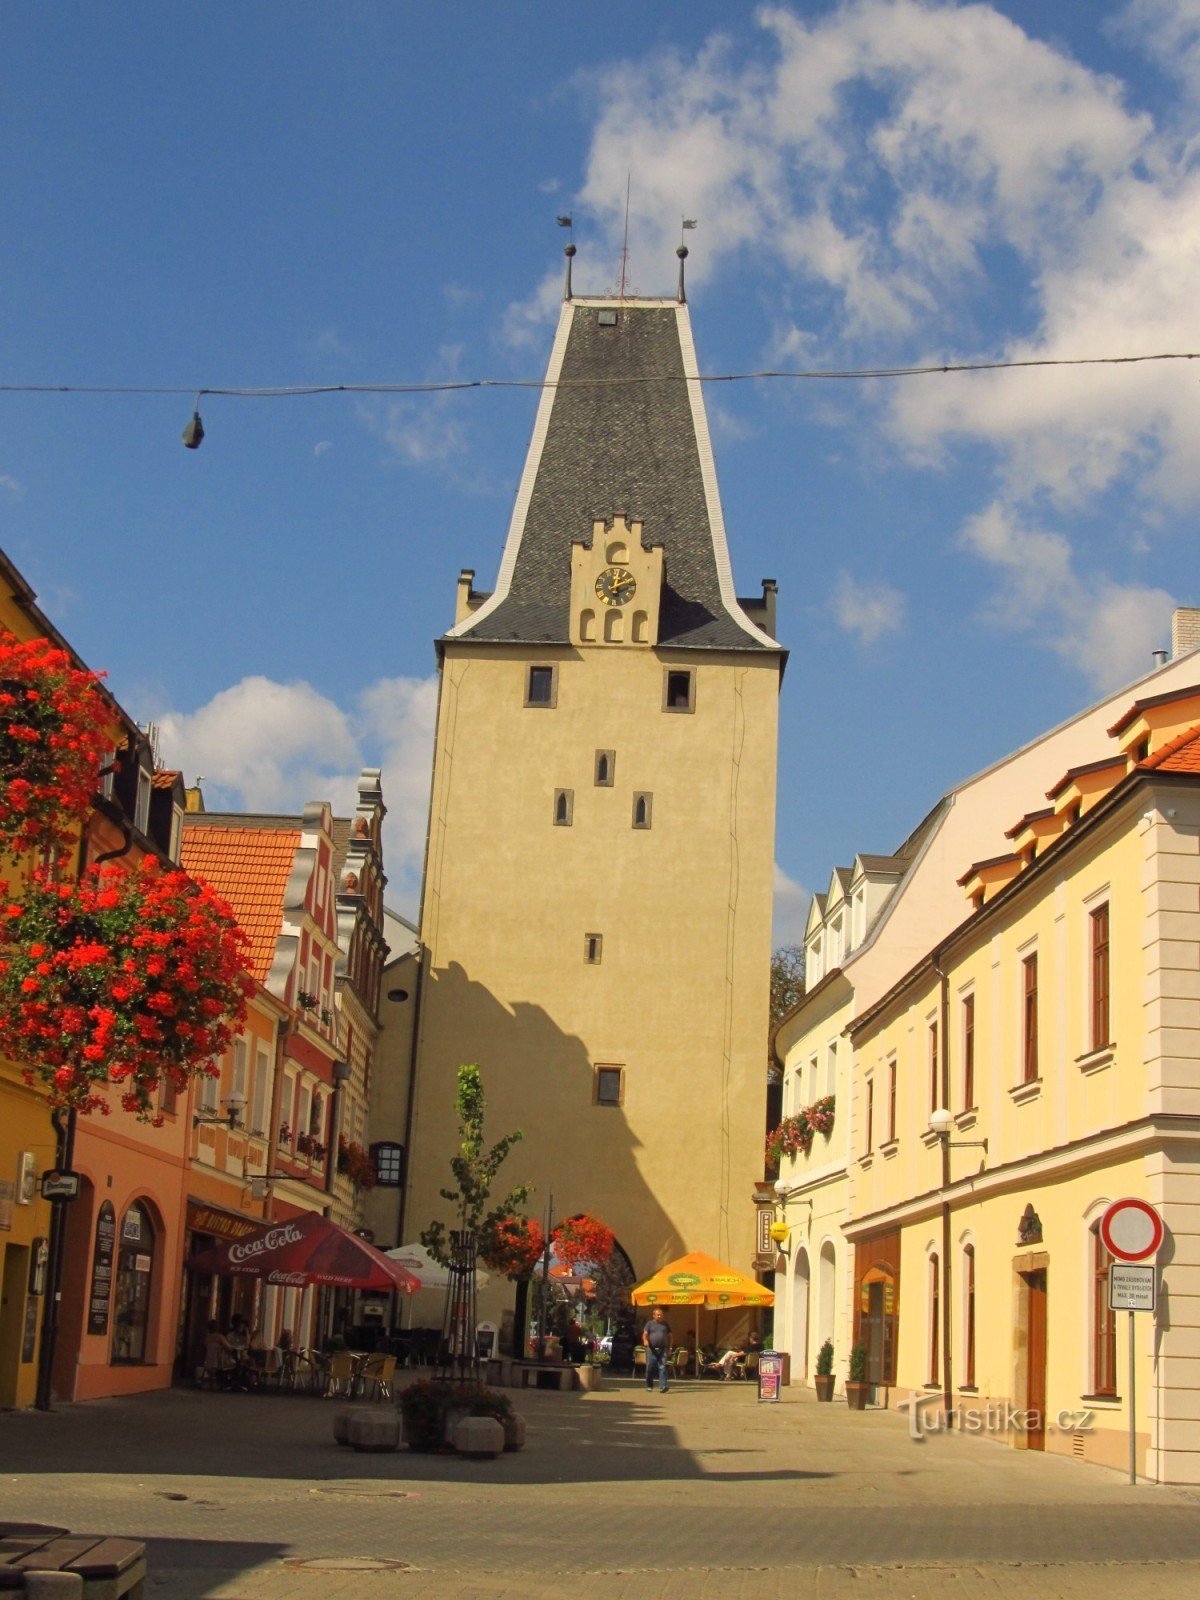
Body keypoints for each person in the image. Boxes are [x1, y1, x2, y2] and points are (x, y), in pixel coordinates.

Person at [642, 1307, 672, 1393]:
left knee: (662, 1367)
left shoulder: (665, 1324)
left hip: (663, 1349)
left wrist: (670, 1347)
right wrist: (645, 1340)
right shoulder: (649, 1324)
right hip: (651, 1349)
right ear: (654, 1315)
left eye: (661, 1315)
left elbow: (670, 1336)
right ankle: (649, 1385)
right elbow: (644, 1334)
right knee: (650, 1367)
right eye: (658, 1315)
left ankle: (663, 1387)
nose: (660, 1316)